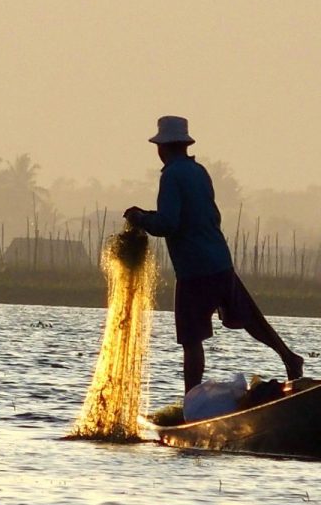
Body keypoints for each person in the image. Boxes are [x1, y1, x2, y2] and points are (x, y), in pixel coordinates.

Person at [124, 115, 303, 392]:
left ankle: (190, 403)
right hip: (219, 260)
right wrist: (149, 216)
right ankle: (288, 357)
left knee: (191, 340)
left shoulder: (171, 175)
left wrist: (140, 219)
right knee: (250, 318)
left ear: (164, 148)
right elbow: (196, 215)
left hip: (194, 270)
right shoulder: (199, 172)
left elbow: (169, 224)